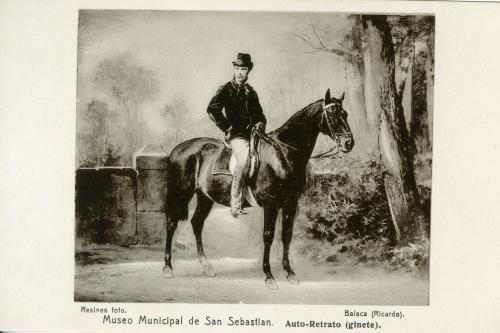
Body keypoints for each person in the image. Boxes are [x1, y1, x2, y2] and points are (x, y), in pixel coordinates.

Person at [207, 53, 266, 217]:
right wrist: (227, 126)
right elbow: (212, 109)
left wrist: (260, 123)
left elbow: (259, 114)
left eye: (244, 69)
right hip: (236, 136)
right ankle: (236, 204)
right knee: (245, 160)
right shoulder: (226, 89)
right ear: (234, 69)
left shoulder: (251, 92)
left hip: (253, 135)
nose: (240, 72)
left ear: (249, 71)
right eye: (238, 68)